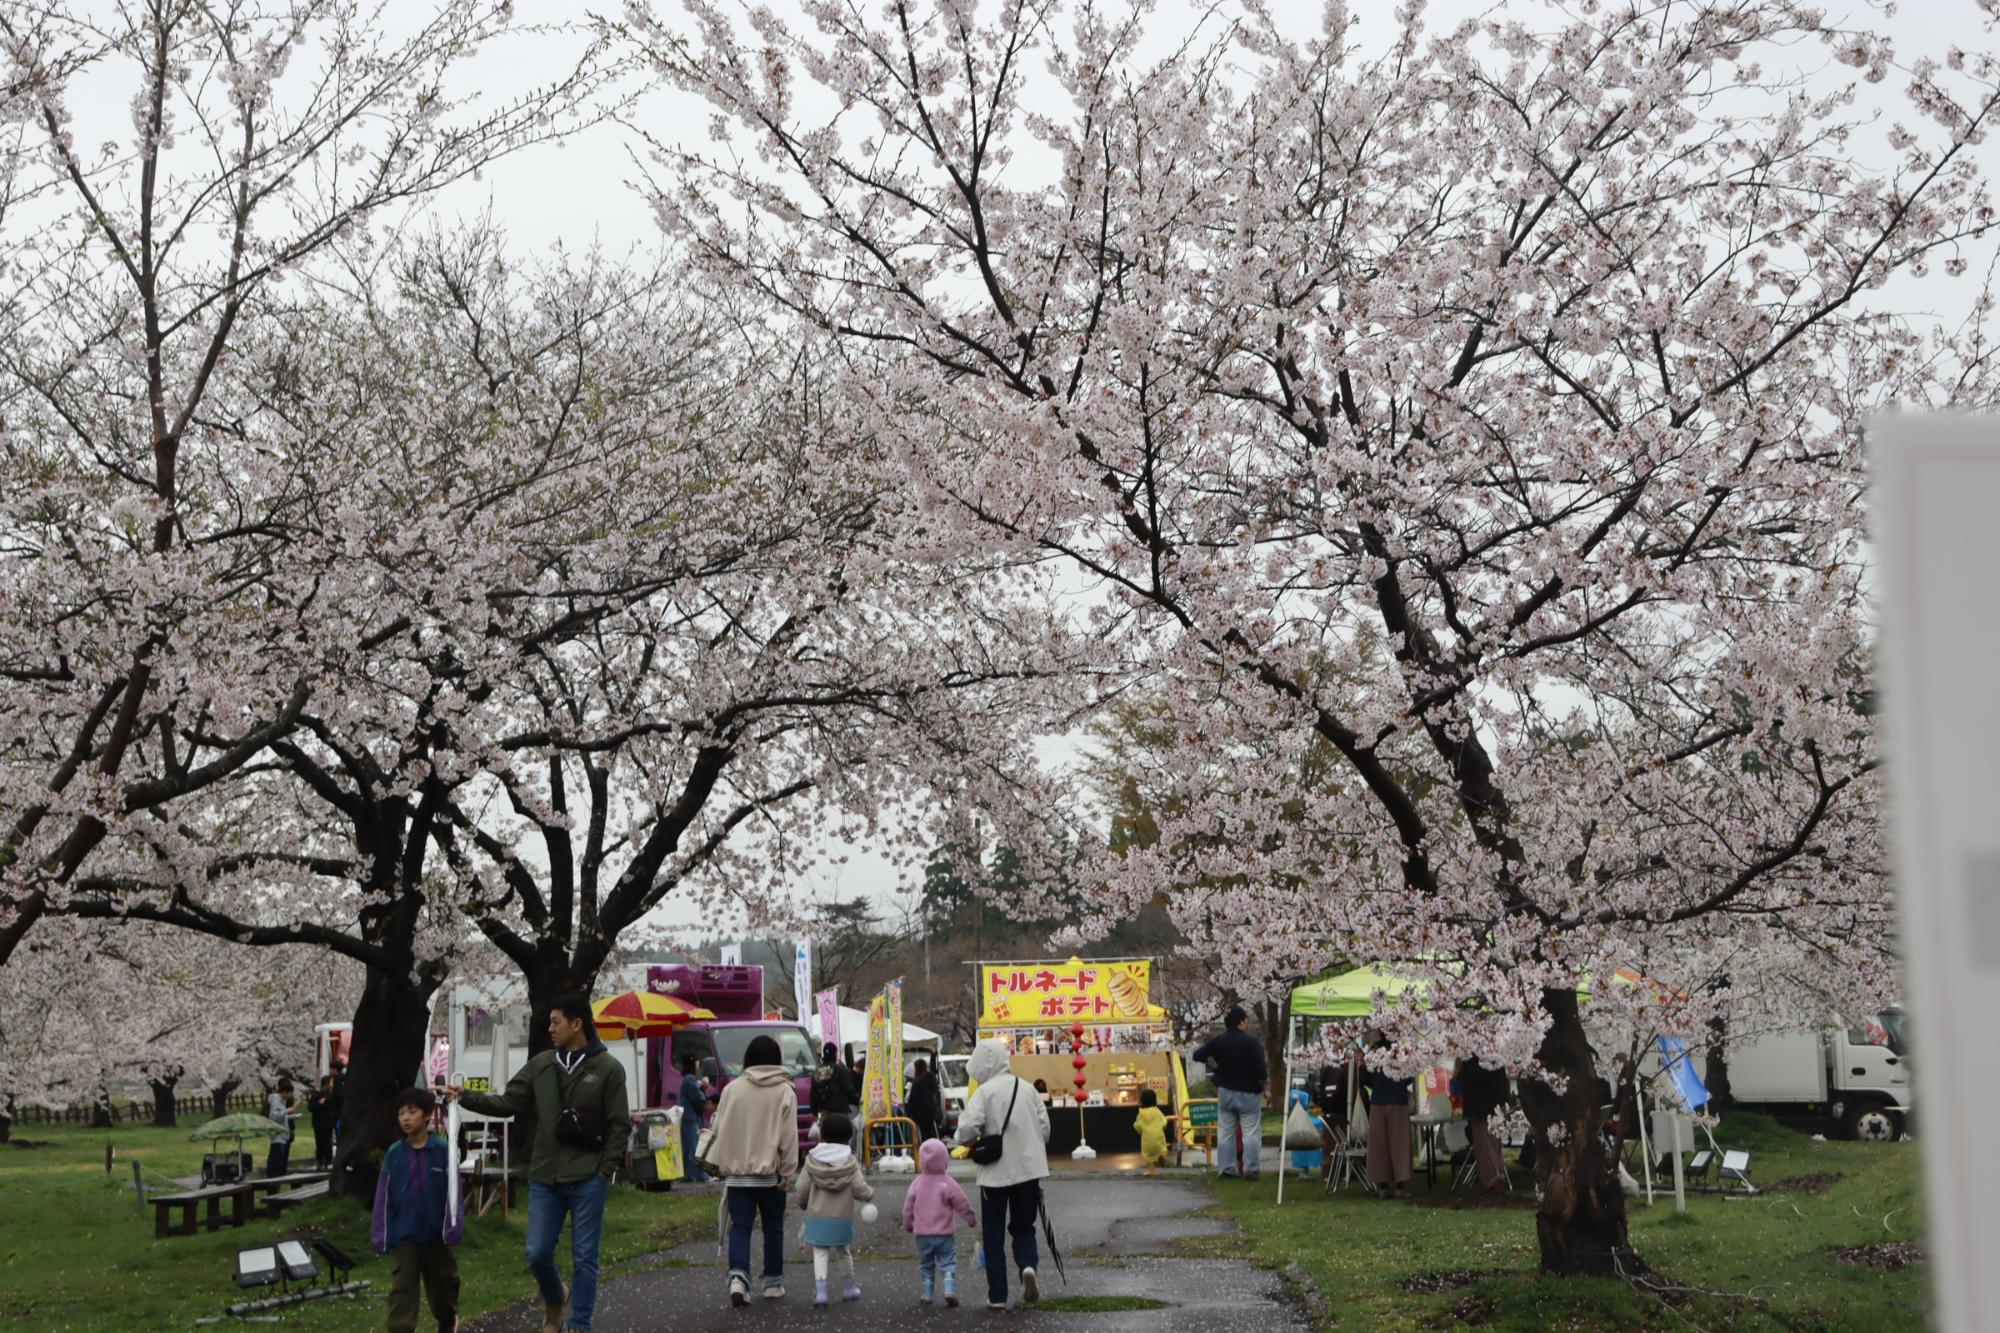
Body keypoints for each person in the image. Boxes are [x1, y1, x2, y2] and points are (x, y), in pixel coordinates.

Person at [445, 993, 630, 1333]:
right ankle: (556, 1295)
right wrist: (465, 1096)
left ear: (577, 1024)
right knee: (537, 1252)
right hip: (546, 1174)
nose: (550, 1029)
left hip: (589, 1175)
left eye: (555, 1022)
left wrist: (605, 1168)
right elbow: (509, 1101)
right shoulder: (542, 1064)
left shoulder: (608, 1069)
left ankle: (581, 1324)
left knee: (585, 1257)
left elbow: (620, 1123)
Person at [953, 1039, 1051, 1311]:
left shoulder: (984, 1093)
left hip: (995, 1174)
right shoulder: (1028, 1088)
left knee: (993, 1235)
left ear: (984, 1065)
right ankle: (1028, 1268)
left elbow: (965, 1131)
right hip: (1029, 1170)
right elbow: (1045, 1131)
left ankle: (997, 1295)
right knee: (1024, 1227)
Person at [706, 1033, 800, 1306]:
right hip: (770, 1175)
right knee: (773, 1228)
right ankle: (772, 1283)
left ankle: (738, 1278)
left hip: (737, 1176)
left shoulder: (732, 1089)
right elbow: (788, 1137)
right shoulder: (784, 1091)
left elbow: (718, 1130)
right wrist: (787, 1170)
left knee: (741, 1228)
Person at [372, 1086, 464, 1333]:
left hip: (436, 1234)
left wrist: (453, 1228)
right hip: (405, 1234)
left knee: (443, 1285)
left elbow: (454, 1193)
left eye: (411, 1112)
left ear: (426, 1115)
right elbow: (383, 1197)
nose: (405, 1118)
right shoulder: (394, 1154)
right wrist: (381, 1235)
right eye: (401, 1113)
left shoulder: (443, 1150)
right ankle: (400, 1329)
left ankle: (448, 1320)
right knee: (403, 1288)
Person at [796, 1112, 875, 1306]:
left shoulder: (812, 1160)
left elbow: (801, 1187)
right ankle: (848, 1288)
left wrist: (804, 1203)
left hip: (816, 1216)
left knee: (820, 1253)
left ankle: (821, 1293)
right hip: (842, 1218)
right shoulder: (849, 1161)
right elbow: (859, 1188)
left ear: (822, 1134)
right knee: (843, 1252)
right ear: (848, 1137)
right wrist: (869, 1194)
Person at [1192, 1006, 1269, 1181]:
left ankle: (1226, 1170)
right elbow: (1260, 1070)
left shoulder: (1218, 1041)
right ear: (1242, 1022)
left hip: (1225, 1091)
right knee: (1250, 1131)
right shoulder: (1251, 1042)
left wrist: (1214, 1065)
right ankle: (1251, 1169)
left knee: (1226, 1132)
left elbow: (1197, 1055)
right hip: (1248, 1093)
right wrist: (1265, 1087)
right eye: (1246, 1021)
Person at [903, 1136, 976, 1306]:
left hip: (922, 1235)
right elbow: (962, 1202)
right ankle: (949, 1289)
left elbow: (908, 1206)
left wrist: (908, 1223)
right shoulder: (948, 1183)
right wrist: (970, 1218)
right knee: (948, 1261)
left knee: (926, 1264)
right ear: (944, 1160)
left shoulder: (917, 1183)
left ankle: (927, 1294)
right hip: (944, 1234)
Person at [1362, 1033, 1413, 1198]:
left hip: (1377, 1101)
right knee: (1400, 1145)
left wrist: (1377, 1083)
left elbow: (1364, 1076)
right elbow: (1409, 1075)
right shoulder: (1402, 1050)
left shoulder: (1373, 1050)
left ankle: (1382, 1186)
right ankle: (1400, 1186)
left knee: (1379, 1146)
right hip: (1398, 1100)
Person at [1456, 1056, 1510, 1195]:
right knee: (1493, 1146)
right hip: (1494, 1107)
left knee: (1485, 1147)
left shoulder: (1476, 1059)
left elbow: (1471, 1079)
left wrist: (1461, 1071)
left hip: (1481, 1109)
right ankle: (1496, 1178)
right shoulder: (1496, 1054)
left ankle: (1490, 1182)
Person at [677, 1054, 711, 1184]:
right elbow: (697, 1097)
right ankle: (701, 1175)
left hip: (685, 1117)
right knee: (695, 1147)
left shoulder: (686, 1078)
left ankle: (685, 1175)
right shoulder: (690, 1079)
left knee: (686, 1149)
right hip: (690, 1118)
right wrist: (703, 1089)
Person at [811, 1043, 859, 1128]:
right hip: (839, 1114)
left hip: (823, 1114)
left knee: (827, 1139)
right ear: (835, 1054)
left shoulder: (817, 1072)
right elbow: (849, 1089)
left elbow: (813, 1094)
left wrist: (814, 1112)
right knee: (840, 1138)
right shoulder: (840, 1069)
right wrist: (858, 1100)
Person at [906, 1058, 944, 1144]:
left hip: (921, 1112)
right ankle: (935, 1146)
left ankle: (927, 1148)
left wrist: (910, 1113)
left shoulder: (917, 1081)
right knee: (932, 1130)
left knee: (924, 1133)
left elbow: (913, 1099)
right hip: (931, 1110)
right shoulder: (931, 1078)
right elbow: (935, 1092)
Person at [265, 1077, 297, 1178]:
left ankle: (275, 1178)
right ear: (283, 1092)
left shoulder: (282, 1102)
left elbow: (282, 1116)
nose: (290, 1096)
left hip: (282, 1135)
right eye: (289, 1093)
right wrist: (287, 1111)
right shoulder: (276, 1101)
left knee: (279, 1159)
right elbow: (274, 1117)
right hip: (277, 1136)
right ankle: (272, 1179)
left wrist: (291, 1117)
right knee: (275, 1159)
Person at [1134, 1088, 1169, 1177]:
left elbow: (1137, 1125)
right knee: (1162, 1149)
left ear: (1142, 1101)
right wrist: (1161, 1127)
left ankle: (1151, 1172)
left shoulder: (1141, 1114)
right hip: (1158, 1137)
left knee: (1148, 1157)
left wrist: (1142, 1132)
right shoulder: (1157, 1111)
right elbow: (1164, 1121)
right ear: (1154, 1100)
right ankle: (1162, 1156)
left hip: (1147, 1139)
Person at [308, 1074, 337, 1171]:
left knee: (328, 1142)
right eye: (331, 1082)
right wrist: (319, 1104)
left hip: (328, 1123)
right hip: (319, 1123)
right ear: (326, 1084)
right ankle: (319, 1161)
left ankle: (328, 1161)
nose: (332, 1084)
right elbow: (311, 1107)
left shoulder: (331, 1095)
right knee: (320, 1143)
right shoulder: (317, 1095)